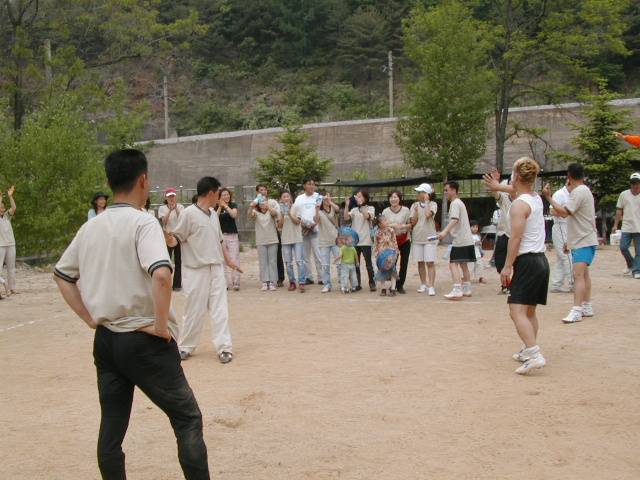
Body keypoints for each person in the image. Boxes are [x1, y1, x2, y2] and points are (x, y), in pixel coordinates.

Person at [54, 149, 211, 479]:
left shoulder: (91, 227)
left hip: (107, 341)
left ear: (110, 182)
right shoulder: (143, 221)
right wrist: (160, 327)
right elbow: (162, 275)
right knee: (187, 419)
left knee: (112, 429)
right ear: (143, 180)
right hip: (144, 339)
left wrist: (89, 318)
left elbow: (63, 275)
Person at [165, 176, 241, 363]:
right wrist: (168, 238)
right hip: (195, 269)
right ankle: (186, 346)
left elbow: (219, 240)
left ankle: (224, 347)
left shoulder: (213, 214)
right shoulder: (188, 214)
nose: (220, 197)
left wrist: (229, 261)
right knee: (194, 310)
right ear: (210, 193)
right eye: (218, 193)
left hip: (216, 268)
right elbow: (176, 239)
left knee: (220, 310)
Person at [500, 157, 550, 374]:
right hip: (540, 261)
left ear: (517, 177)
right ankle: (528, 350)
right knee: (529, 311)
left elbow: (516, 238)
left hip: (527, 261)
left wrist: (507, 265)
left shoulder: (519, 205)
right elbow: (514, 190)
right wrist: (497, 187)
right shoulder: (535, 198)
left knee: (516, 311)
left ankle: (534, 354)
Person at [543, 163, 598, 323]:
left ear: (569, 175)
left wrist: (549, 198)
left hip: (583, 239)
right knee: (584, 274)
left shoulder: (578, 191)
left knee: (578, 275)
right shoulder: (584, 190)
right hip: (583, 237)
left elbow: (564, 212)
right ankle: (586, 305)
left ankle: (577, 310)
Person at [437, 181, 476, 299]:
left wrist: (444, 232)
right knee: (464, 265)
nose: (445, 192)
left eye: (447, 190)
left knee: (453, 264)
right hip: (467, 239)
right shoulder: (460, 203)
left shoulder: (455, 203)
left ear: (454, 190)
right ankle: (467, 289)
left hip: (460, 240)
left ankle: (458, 289)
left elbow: (455, 219)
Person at [482, 170, 513, 294]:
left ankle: (513, 285)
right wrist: (495, 183)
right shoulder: (504, 198)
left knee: (517, 262)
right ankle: (506, 284)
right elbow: (496, 193)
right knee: (500, 261)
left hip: (516, 235)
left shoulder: (523, 199)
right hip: (503, 233)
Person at [249, 184, 281, 291]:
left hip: (272, 239)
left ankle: (272, 281)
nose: (263, 203)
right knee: (263, 262)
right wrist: (251, 206)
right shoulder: (256, 212)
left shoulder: (271, 208)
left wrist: (267, 205)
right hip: (261, 240)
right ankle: (264, 281)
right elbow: (251, 215)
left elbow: (274, 213)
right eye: (260, 190)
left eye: (264, 190)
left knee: (272, 261)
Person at [344, 188, 376, 291]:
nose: (357, 198)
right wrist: (347, 205)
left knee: (368, 264)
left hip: (366, 240)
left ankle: (372, 283)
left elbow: (367, 216)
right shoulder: (354, 210)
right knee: (355, 264)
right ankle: (357, 284)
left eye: (360, 196)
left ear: (365, 198)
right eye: (357, 196)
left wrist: (361, 205)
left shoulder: (370, 208)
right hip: (354, 241)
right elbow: (346, 218)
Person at [410, 184, 438, 295]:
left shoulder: (433, 204)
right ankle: (423, 284)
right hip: (417, 237)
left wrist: (426, 201)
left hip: (429, 237)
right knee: (420, 262)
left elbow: (428, 214)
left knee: (430, 262)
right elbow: (412, 222)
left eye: (421, 192)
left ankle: (431, 286)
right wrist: (416, 211)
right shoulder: (414, 205)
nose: (419, 194)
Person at [382, 190, 412, 294]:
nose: (393, 199)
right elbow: (382, 225)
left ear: (399, 199)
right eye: (391, 197)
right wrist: (392, 225)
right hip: (391, 241)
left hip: (404, 239)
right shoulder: (385, 212)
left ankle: (400, 285)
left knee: (404, 263)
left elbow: (411, 224)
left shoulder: (406, 210)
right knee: (392, 263)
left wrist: (402, 226)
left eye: (395, 197)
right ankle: (393, 284)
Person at [294, 176, 323, 284]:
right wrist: (305, 224)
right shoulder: (299, 199)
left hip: (317, 229)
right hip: (303, 229)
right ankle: (309, 277)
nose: (311, 186)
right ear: (304, 186)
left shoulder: (319, 197)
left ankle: (321, 277)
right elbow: (296, 213)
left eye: (313, 184)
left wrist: (314, 224)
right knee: (305, 256)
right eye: (309, 184)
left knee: (318, 255)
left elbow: (322, 212)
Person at [612, 172, 640, 279]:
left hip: (639, 227)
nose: (635, 185)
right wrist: (616, 225)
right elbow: (619, 210)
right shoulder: (624, 194)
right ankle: (631, 264)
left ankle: (637, 270)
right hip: (627, 226)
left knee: (639, 251)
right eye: (633, 183)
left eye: (637, 183)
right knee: (623, 247)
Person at [549, 180, 574, 292]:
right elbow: (552, 211)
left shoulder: (573, 195)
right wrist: (566, 213)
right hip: (561, 225)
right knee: (567, 255)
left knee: (562, 257)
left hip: (569, 226)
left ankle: (557, 283)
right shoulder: (560, 194)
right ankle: (574, 282)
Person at [278, 190, 306, 291]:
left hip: (297, 238)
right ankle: (292, 282)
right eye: (284, 197)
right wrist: (282, 215)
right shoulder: (279, 209)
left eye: (288, 196)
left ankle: (302, 282)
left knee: (299, 261)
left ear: (290, 197)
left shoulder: (296, 207)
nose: (286, 198)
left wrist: (289, 214)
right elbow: (280, 225)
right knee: (288, 262)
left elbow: (298, 221)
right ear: (280, 199)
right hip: (286, 239)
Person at [158, 188, 184, 291]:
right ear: (166, 198)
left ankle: (177, 284)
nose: (171, 198)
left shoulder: (181, 207)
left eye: (173, 196)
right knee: (166, 260)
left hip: (178, 236)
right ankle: (167, 283)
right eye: (169, 197)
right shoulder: (162, 208)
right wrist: (170, 210)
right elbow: (164, 220)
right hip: (167, 236)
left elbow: (182, 219)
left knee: (178, 261)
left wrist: (176, 208)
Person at [216, 188, 242, 290]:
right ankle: (224, 283)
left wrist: (226, 206)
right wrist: (220, 206)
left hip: (232, 235)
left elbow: (233, 215)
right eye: (224, 195)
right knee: (222, 260)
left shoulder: (233, 205)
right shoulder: (216, 207)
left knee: (234, 258)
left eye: (227, 195)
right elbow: (214, 218)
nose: (226, 197)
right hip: (221, 236)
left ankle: (236, 282)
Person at [315, 190, 341, 293]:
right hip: (324, 241)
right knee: (325, 265)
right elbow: (316, 221)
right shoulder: (319, 210)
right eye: (325, 196)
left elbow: (338, 209)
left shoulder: (333, 208)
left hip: (336, 240)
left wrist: (329, 201)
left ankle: (342, 283)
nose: (327, 198)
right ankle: (327, 284)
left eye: (329, 196)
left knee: (339, 264)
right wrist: (317, 210)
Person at [373, 215, 400, 296]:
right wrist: (377, 254)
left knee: (392, 272)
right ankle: (383, 288)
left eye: (386, 220)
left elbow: (394, 241)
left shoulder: (391, 230)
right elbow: (376, 243)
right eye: (384, 221)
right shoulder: (377, 232)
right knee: (382, 271)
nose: (387, 222)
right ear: (380, 224)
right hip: (382, 255)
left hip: (391, 254)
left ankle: (393, 289)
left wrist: (395, 251)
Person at [0, 186, 18, 294]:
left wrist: (10, 196)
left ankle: (12, 287)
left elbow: (13, 208)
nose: (2, 209)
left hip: (10, 243)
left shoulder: (7, 216)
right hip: (0, 245)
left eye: (3, 207)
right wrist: (0, 198)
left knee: (11, 267)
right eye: (0, 207)